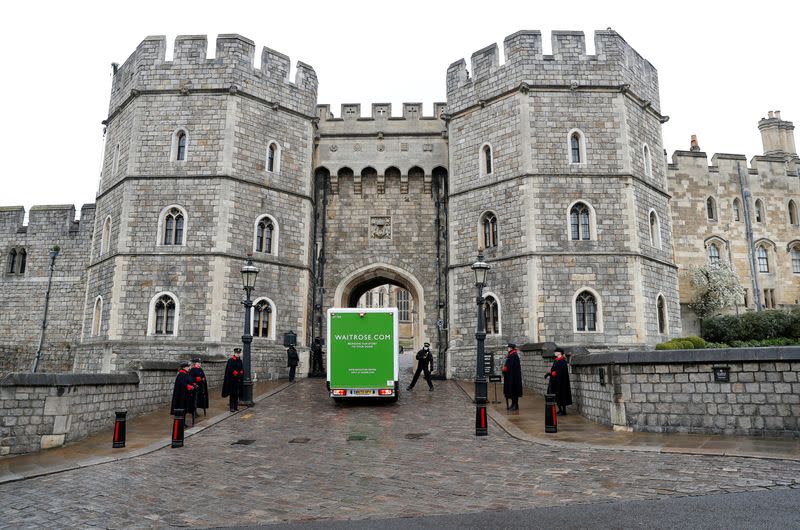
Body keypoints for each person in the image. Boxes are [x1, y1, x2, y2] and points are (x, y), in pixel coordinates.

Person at [545, 350, 573, 415]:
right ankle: (560, 410)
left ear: (559, 353)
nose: (554, 353)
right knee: (557, 396)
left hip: (562, 382)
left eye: (556, 352)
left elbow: (562, 371)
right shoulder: (556, 360)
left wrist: (555, 373)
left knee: (562, 395)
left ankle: (563, 411)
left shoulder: (563, 361)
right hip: (555, 381)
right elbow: (553, 369)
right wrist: (550, 373)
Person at [222, 348, 245, 412]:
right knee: (232, 394)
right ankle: (231, 407)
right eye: (237, 353)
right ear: (234, 353)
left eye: (239, 353)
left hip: (238, 380)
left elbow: (241, 368)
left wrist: (241, 373)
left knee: (237, 394)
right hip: (232, 380)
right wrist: (235, 373)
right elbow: (229, 369)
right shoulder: (231, 360)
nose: (238, 354)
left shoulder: (240, 361)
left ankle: (235, 407)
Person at [502, 343, 523, 410]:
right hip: (511, 376)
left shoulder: (514, 355)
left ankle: (515, 405)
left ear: (511, 348)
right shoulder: (511, 355)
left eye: (508, 347)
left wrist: (506, 368)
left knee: (514, 391)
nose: (507, 349)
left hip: (514, 377)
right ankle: (513, 404)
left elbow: (512, 366)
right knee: (512, 391)